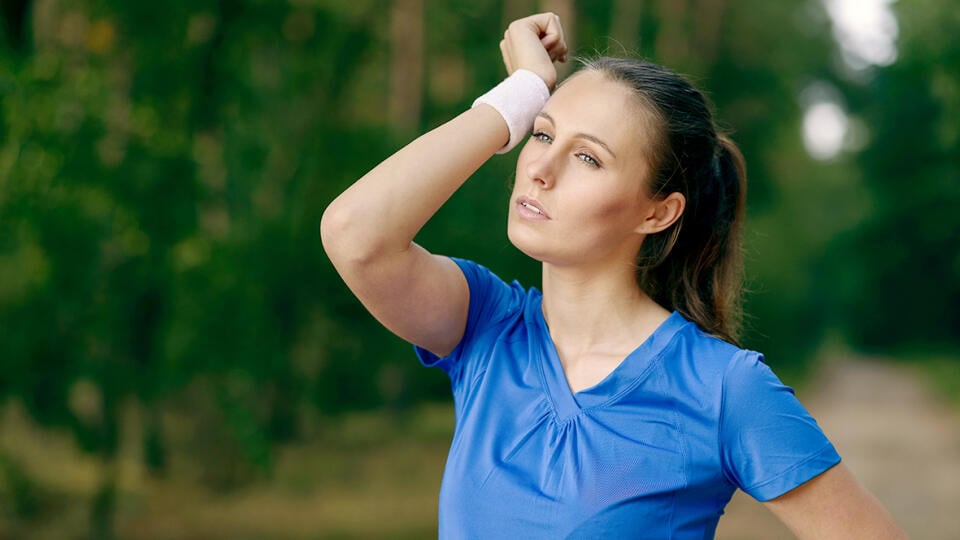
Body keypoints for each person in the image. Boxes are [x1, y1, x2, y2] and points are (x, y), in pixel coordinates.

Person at [320, 12, 906, 540]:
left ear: (658, 211)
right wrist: (522, 91)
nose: (540, 169)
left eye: (588, 157)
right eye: (543, 134)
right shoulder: (486, 328)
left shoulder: (724, 389)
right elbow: (355, 236)